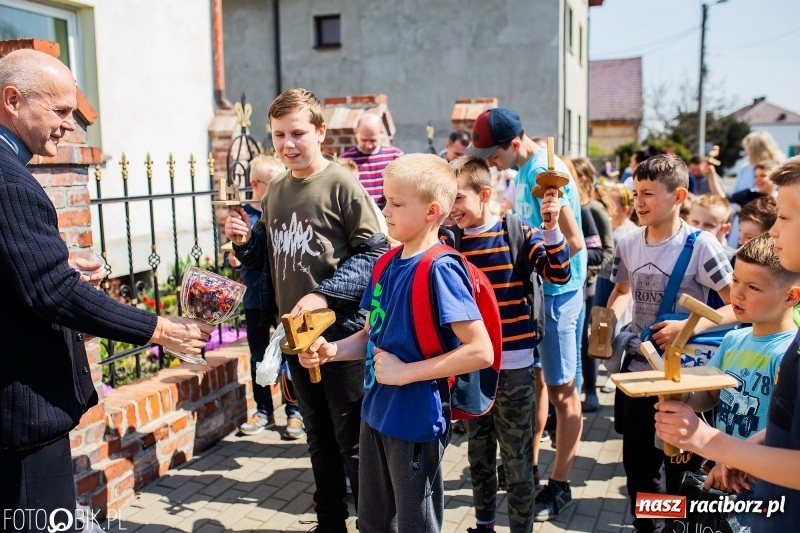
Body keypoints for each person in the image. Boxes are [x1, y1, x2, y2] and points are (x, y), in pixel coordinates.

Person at [0, 49, 213, 529]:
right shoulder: (8, 179)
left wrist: (53, 259)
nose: (69, 126)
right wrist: (160, 328)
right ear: (13, 100)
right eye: (59, 111)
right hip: (21, 412)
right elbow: (53, 294)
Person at [297, 153, 494, 533]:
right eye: (385, 199)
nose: (385, 210)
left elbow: (480, 351)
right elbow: (373, 334)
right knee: (372, 520)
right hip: (374, 413)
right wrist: (333, 350)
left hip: (415, 419)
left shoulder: (441, 268)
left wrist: (406, 373)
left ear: (432, 211)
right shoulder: (384, 264)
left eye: (397, 203)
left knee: (416, 524)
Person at [225, 88, 388, 533]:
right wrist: (245, 242)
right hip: (294, 336)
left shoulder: (341, 183)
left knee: (352, 440)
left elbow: (374, 254)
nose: (287, 144)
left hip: (339, 337)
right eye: (279, 135)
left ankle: (373, 524)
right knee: (317, 437)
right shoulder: (276, 187)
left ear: (320, 133)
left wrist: (324, 295)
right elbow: (266, 257)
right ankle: (330, 520)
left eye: (297, 133)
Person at [655, 157, 800, 532]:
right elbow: (715, 397)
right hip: (731, 473)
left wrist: (710, 442)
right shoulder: (734, 340)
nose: (737, 292)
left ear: (791, 297)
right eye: (735, 281)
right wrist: (685, 396)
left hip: (762, 488)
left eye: (784, 218)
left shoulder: (786, 350)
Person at [467, 107, 586, 521]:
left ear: (514, 143)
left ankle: (560, 484)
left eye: (491, 151)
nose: (487, 159)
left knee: (561, 390)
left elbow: (574, 240)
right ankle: (527, 468)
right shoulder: (520, 174)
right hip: (535, 298)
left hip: (557, 296)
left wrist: (535, 264)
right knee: (534, 388)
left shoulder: (547, 170)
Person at [607, 154, 734, 533]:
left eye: (647, 194)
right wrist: (608, 324)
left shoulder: (701, 245)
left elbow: (737, 307)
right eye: (635, 193)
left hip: (682, 384)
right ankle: (650, 528)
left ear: (679, 195)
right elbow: (622, 290)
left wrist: (688, 328)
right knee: (641, 472)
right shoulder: (628, 242)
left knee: (682, 470)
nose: (638, 202)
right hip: (637, 377)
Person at [448, 156, 571, 533]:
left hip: (514, 369)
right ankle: (484, 525)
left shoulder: (518, 232)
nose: (453, 209)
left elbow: (560, 272)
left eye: (459, 199)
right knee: (479, 455)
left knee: (516, 461)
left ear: (485, 194)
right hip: (469, 368)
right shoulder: (449, 241)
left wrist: (551, 225)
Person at [232, 155, 303, 439]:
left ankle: (294, 413)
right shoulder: (244, 217)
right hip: (255, 301)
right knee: (258, 357)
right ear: (255, 184)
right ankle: (264, 412)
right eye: (274, 182)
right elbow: (235, 252)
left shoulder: (284, 212)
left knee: (291, 355)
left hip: (285, 299)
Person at [572, 157, 614, 413]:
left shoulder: (593, 210)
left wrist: (587, 272)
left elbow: (606, 250)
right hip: (584, 283)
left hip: (596, 284)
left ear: (582, 181)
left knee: (589, 339)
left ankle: (590, 389)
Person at [727, 131, 786, 247]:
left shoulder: (781, 167)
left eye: (747, 148)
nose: (745, 152)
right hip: (744, 219)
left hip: (770, 219)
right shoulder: (745, 168)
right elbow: (735, 194)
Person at [339, 113, 403, 209]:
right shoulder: (346, 160)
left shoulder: (395, 156)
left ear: (381, 133)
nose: (368, 145)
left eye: (373, 140)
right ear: (356, 133)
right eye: (364, 140)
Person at [686, 194, 735, 260]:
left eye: (708, 225)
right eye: (695, 222)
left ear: (724, 229)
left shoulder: (730, 259)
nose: (699, 229)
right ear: (687, 220)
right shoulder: (676, 248)